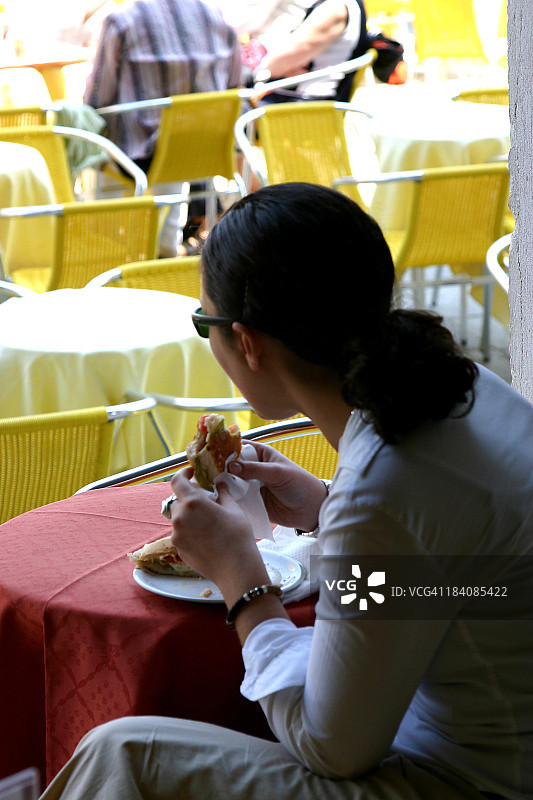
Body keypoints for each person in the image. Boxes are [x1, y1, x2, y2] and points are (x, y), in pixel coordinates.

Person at [39, 183, 533, 800]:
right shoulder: (463, 385)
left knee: (121, 753)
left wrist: (241, 577)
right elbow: (442, 545)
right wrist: (324, 506)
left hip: (478, 781)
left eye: (204, 323)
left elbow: (333, 747)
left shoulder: (382, 486)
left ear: (247, 342)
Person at [83, 0, 243, 255]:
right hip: (203, 150)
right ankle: (166, 247)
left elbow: (98, 98)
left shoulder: (122, 20)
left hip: (141, 158)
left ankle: (107, 245)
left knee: (97, 143)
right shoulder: (215, 15)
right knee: (173, 149)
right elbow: (235, 84)